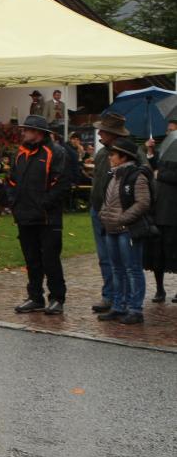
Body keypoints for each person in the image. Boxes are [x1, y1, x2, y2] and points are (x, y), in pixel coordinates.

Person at [7, 115, 69, 315]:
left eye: (27, 130)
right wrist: (13, 201)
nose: (23, 133)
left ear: (38, 133)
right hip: (25, 215)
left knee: (50, 259)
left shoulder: (55, 152)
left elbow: (62, 183)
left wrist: (45, 203)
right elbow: (12, 180)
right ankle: (35, 297)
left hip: (47, 217)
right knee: (31, 260)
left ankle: (57, 298)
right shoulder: (20, 153)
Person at [100, 136, 152, 325]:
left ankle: (135, 309)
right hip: (111, 229)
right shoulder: (113, 175)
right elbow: (107, 200)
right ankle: (118, 306)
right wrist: (104, 214)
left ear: (124, 157)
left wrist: (123, 218)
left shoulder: (137, 176)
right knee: (117, 269)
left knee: (132, 269)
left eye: (113, 154)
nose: (110, 157)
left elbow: (143, 203)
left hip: (127, 230)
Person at [89, 114, 130, 315]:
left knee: (120, 259)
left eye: (103, 131)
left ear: (113, 134)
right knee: (104, 257)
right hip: (98, 211)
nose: (99, 134)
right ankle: (109, 295)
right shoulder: (101, 154)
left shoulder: (129, 154)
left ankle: (123, 298)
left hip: (117, 214)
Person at [147, 117, 177, 304]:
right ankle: (160, 289)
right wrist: (151, 153)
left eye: (171, 130)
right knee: (156, 251)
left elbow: (163, 174)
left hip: (174, 209)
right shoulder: (165, 150)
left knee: (174, 249)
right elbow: (154, 167)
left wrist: (160, 174)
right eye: (168, 130)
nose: (168, 133)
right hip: (158, 207)